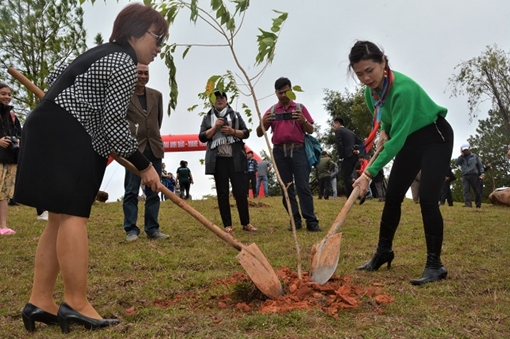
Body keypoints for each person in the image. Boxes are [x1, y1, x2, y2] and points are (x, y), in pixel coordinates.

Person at [14, 3, 168, 333]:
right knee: (73, 216)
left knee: (57, 218)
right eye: (158, 38)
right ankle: (76, 302)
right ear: (137, 32)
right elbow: (113, 121)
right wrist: (145, 166)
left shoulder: (98, 53)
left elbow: (57, 77)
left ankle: (40, 300)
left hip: (44, 126)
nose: (158, 47)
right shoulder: (125, 61)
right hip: (70, 135)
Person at [349, 40, 454, 286]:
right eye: (359, 74)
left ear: (383, 63)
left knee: (427, 198)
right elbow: (385, 116)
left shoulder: (403, 90)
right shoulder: (370, 92)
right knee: (393, 195)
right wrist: (384, 129)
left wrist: (368, 174)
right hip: (408, 139)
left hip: (434, 137)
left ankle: (435, 264)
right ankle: (383, 251)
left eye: (369, 70)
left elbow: (396, 143)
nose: (365, 78)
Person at [256, 77, 321, 232]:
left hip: (298, 150)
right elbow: (259, 133)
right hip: (279, 152)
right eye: (280, 93)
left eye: (286, 91)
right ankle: (295, 221)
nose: (284, 95)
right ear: (276, 93)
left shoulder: (299, 107)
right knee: (286, 188)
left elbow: (311, 129)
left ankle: (311, 221)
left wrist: (303, 120)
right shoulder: (272, 111)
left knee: (303, 186)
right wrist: (263, 122)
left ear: (291, 90)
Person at [199, 90, 256, 233]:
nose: (219, 100)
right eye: (216, 98)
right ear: (213, 101)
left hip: (236, 159)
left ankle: (246, 223)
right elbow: (202, 137)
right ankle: (227, 225)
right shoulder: (208, 117)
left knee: (240, 192)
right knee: (222, 193)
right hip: (218, 160)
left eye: (222, 97)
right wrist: (215, 127)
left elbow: (246, 133)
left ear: (226, 100)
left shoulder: (235, 115)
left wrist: (232, 132)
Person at [123, 63, 168, 242]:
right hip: (134, 149)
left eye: (145, 73)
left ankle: (152, 229)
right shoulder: (124, 96)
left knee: (154, 191)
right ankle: (131, 229)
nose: (142, 76)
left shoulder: (156, 95)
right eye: (139, 73)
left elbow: (158, 120)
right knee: (131, 190)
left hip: (154, 148)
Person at [0, 83, 21, 236]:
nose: (7, 97)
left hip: (11, 158)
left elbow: (20, 134)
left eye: (9, 94)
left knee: (5, 194)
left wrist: (18, 141)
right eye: (3, 94)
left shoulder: (12, 116)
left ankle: (3, 226)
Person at [333, 117, 362, 198]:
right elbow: (361, 143)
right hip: (354, 157)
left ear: (338, 124)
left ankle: (354, 195)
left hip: (346, 156)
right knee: (350, 176)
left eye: (333, 125)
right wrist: (357, 150)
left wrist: (341, 156)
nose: (333, 127)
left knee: (346, 177)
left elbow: (339, 144)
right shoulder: (351, 133)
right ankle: (357, 193)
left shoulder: (338, 131)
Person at [454, 143, 484, 208]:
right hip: (465, 176)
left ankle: (478, 204)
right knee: (466, 190)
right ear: (462, 150)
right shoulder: (461, 158)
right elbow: (456, 163)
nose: (466, 151)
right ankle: (468, 204)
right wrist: (461, 156)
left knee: (477, 190)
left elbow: (480, 165)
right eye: (464, 150)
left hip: (474, 175)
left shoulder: (475, 156)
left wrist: (482, 173)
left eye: (467, 149)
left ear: (469, 149)